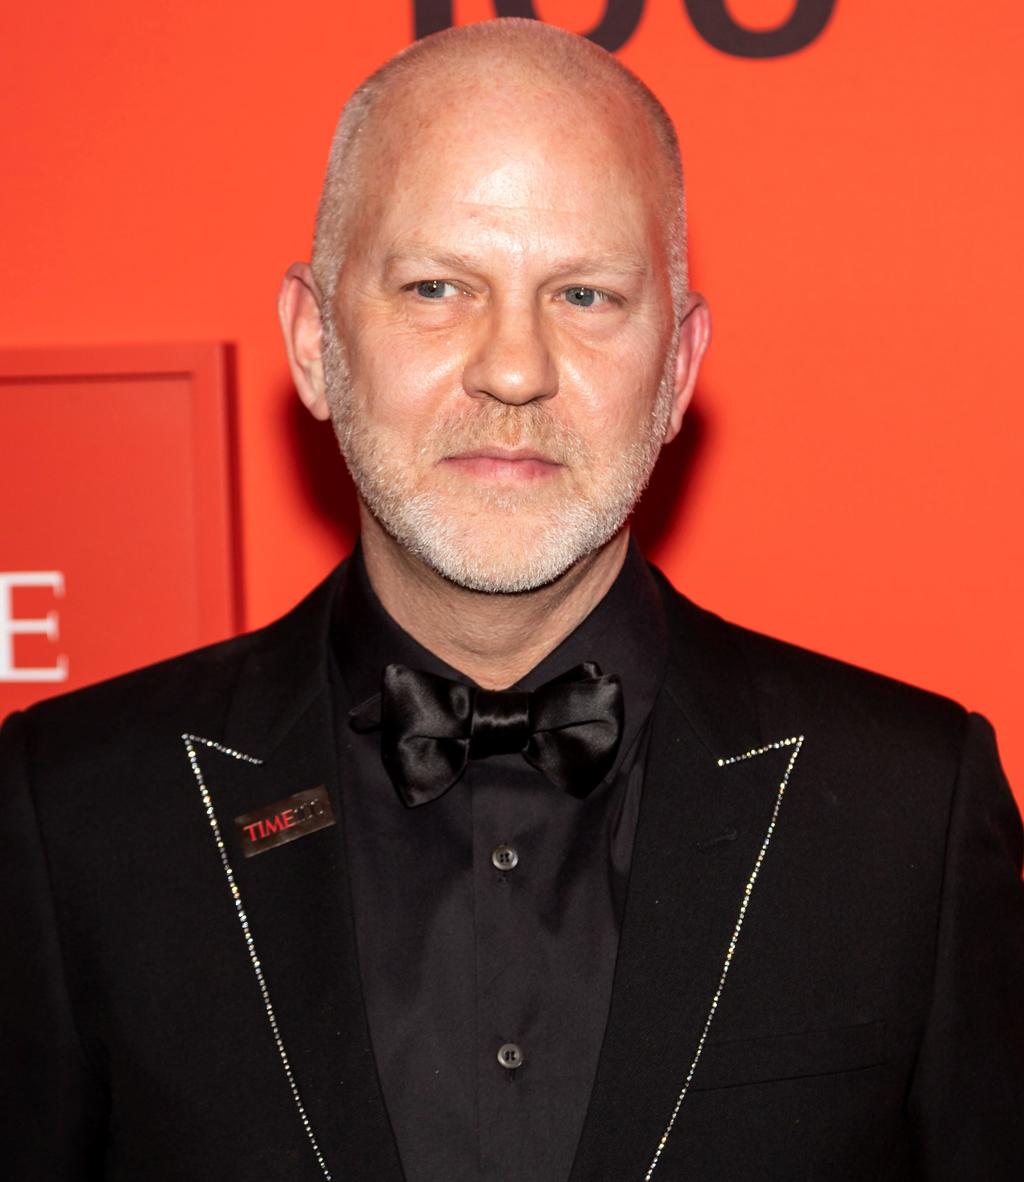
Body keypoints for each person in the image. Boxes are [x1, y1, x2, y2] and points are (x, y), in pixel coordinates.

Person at [2, 17, 1022, 1182]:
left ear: (677, 366)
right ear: (316, 341)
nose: (515, 369)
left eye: (584, 296)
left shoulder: (907, 810)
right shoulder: (76, 813)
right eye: (436, 287)